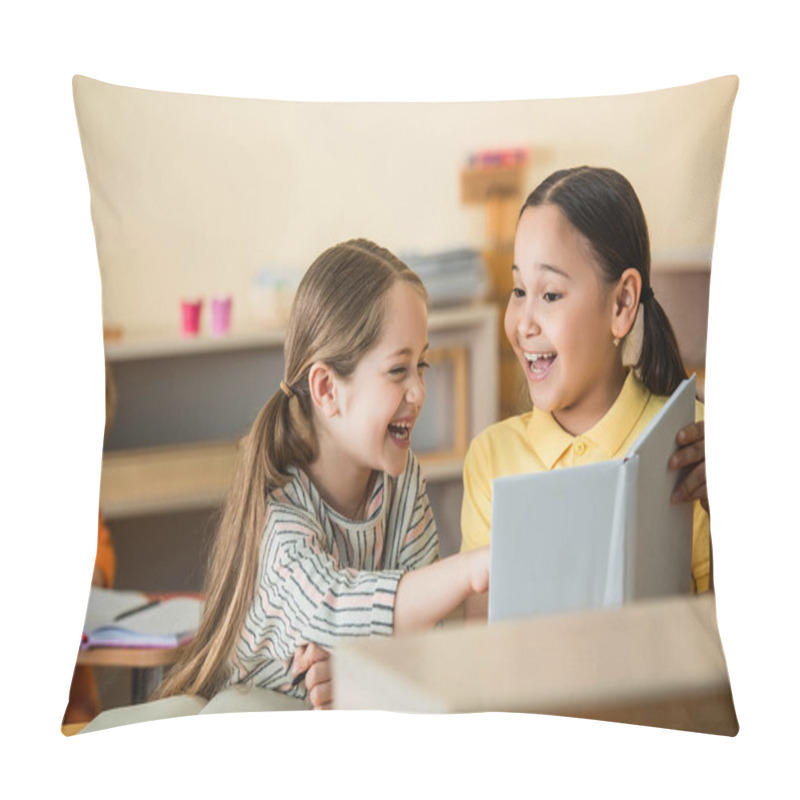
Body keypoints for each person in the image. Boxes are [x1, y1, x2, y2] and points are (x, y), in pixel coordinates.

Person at [157, 238, 489, 709]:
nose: (418, 391)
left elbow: (420, 635)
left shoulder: (401, 479)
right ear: (327, 389)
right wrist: (469, 570)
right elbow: (330, 610)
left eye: (422, 365)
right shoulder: (278, 503)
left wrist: (354, 670)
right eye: (398, 370)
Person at [460, 166, 712, 618]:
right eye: (519, 290)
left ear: (621, 304)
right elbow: (485, 649)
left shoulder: (693, 444)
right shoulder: (491, 459)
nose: (524, 322)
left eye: (551, 295)